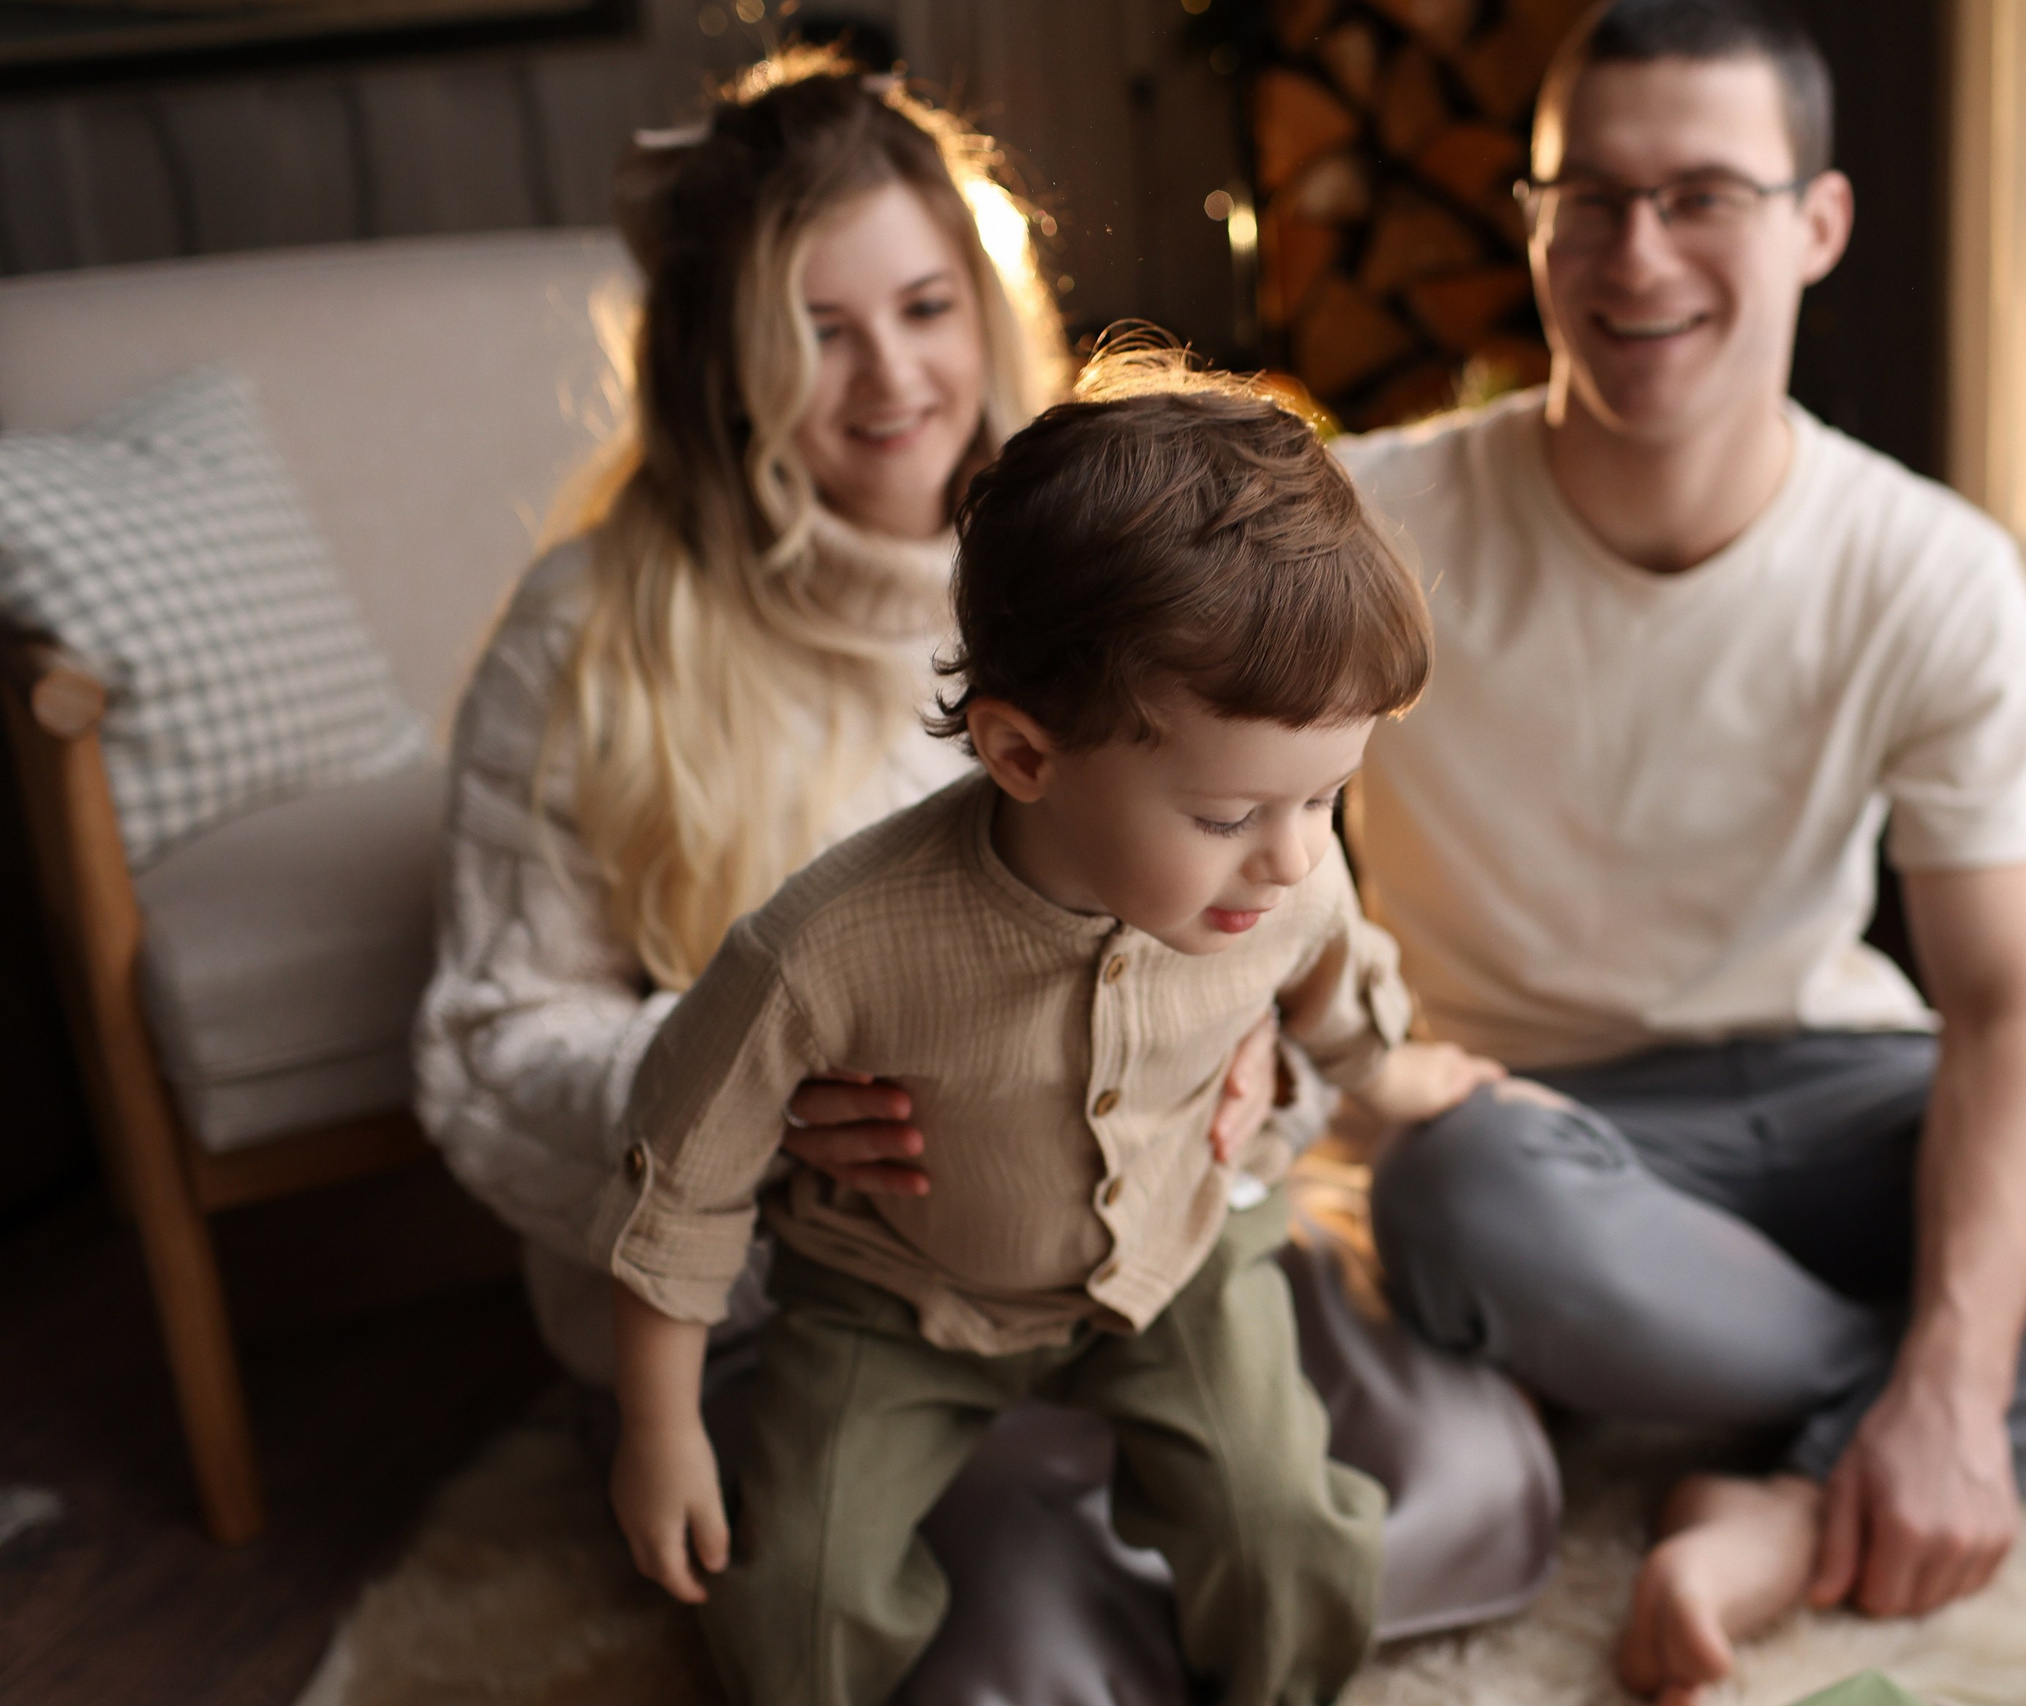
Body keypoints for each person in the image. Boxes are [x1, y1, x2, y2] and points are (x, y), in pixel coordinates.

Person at [414, 48, 1556, 1706]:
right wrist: (767, 1103)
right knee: (992, 1656)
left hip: (1147, 1240)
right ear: (721, 362)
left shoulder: (1125, 567)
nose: (893, 373)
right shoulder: (592, 638)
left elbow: (1289, 924)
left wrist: (1268, 1063)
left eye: (927, 305)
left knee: (1451, 1493)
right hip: (843, 1290)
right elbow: (493, 1050)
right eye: (818, 329)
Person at [1333, 0, 2026, 1692]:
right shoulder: (1363, 529)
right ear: (1532, 220)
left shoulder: (1931, 569)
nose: (1639, 253)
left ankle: (1812, 1483)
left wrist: (1961, 1381)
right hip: (1551, 1138)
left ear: (1819, 223)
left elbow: (2007, 1005)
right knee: (1452, 1190)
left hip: (1848, 1096)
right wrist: (1967, 1364)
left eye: (1704, 195)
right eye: (1591, 199)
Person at [602, 359, 1511, 1706]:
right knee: (796, 1592)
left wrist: (1393, 1066)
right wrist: (660, 1425)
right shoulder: (827, 946)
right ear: (1024, 755)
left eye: (1326, 798)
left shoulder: (1287, 877)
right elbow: (681, 1178)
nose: (1289, 858)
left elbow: (1334, 977)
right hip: (897, 1294)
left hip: (1175, 1254)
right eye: (1228, 817)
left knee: (1281, 1528)